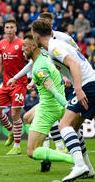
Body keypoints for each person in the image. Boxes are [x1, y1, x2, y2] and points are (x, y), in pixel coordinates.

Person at [31, 18, 95, 182]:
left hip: (87, 85)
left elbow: (75, 65)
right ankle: (88, 169)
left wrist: (79, 90)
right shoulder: (55, 46)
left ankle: (79, 166)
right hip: (94, 84)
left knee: (64, 125)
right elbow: (80, 61)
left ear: (36, 36)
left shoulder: (54, 47)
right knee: (75, 129)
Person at [21, 34, 75, 173]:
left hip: (49, 107)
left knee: (31, 152)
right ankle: (44, 155)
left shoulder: (38, 67)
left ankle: (73, 159)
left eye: (25, 46)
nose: (23, 49)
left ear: (33, 46)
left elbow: (53, 91)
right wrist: (34, 82)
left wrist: (67, 105)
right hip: (51, 103)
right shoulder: (46, 57)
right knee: (26, 118)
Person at [0, 18, 28, 155]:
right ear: (4, 29)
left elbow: (31, 61)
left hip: (19, 83)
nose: (9, 30)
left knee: (15, 114)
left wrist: (32, 80)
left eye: (12, 27)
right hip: (6, 84)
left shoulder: (22, 43)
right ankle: (11, 131)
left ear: (16, 29)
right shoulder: (1, 44)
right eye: (7, 27)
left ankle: (17, 147)